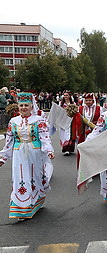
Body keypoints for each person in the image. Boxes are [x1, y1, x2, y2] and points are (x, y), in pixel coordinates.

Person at [0, 92, 55, 221]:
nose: (23, 108)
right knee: (20, 178)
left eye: (26, 105)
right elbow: (9, 141)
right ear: (18, 106)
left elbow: (44, 137)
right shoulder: (13, 122)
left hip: (34, 153)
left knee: (34, 177)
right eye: (21, 105)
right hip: (18, 154)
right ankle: (22, 208)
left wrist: (48, 151)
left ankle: (37, 200)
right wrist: (3, 157)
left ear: (31, 106)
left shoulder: (38, 120)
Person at [73, 93, 102, 168]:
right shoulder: (80, 109)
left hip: (95, 131)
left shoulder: (99, 109)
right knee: (83, 149)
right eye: (86, 100)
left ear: (93, 100)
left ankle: (94, 167)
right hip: (83, 132)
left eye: (90, 100)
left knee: (94, 149)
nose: (88, 102)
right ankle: (83, 167)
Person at [59, 90, 76, 155]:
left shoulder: (72, 103)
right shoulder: (61, 103)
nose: (65, 96)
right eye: (64, 95)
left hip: (70, 120)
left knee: (69, 134)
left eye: (67, 95)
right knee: (63, 134)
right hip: (63, 120)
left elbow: (75, 111)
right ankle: (64, 147)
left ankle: (68, 148)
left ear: (69, 96)